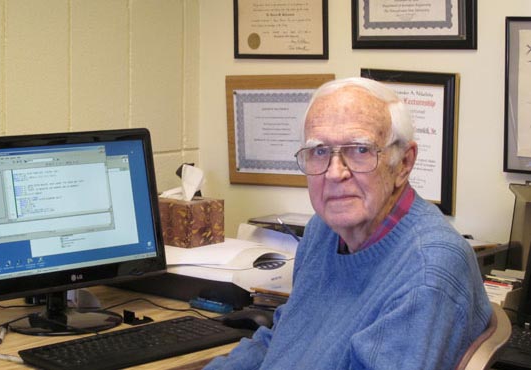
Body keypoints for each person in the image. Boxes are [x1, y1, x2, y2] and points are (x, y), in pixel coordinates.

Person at [205, 77, 492, 370]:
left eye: (359, 150)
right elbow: (279, 341)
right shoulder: (323, 231)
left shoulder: (428, 270)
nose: (334, 173)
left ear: (403, 163)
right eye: (319, 151)